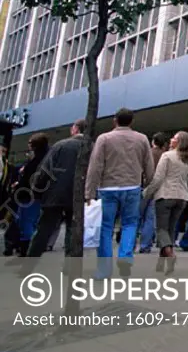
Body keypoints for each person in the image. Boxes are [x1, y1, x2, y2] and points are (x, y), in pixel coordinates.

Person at [85, 108, 154, 278]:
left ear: (114, 120)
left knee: (106, 227)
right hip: (132, 187)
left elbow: (95, 166)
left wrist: (89, 191)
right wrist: (148, 183)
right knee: (130, 224)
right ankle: (125, 257)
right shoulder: (142, 139)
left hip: (108, 187)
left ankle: (104, 269)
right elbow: (149, 165)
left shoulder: (104, 138)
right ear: (131, 121)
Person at [21, 120, 86, 272]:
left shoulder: (61, 145)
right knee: (72, 229)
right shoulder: (92, 146)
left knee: (44, 229)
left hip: (55, 193)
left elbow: (44, 170)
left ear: (75, 130)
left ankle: (28, 266)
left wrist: (36, 189)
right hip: (78, 193)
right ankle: (71, 267)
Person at [145, 131, 188, 274]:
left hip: (165, 195)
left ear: (179, 142)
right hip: (182, 196)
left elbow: (158, 178)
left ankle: (170, 254)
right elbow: (186, 178)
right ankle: (162, 263)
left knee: (161, 229)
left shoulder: (167, 156)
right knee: (170, 229)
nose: (171, 139)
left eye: (174, 138)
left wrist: (147, 193)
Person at [138, 132, 169, 254]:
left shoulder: (147, 153)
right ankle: (145, 245)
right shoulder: (165, 155)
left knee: (136, 216)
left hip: (143, 187)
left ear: (153, 142)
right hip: (158, 189)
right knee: (150, 219)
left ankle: (130, 244)